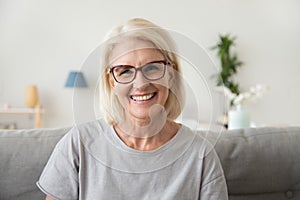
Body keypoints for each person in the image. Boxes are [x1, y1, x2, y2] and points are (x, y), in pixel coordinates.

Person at [37, 18, 228, 200]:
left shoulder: (201, 155)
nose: (141, 83)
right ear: (111, 81)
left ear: (171, 75)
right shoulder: (78, 143)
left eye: (152, 67)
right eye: (125, 71)